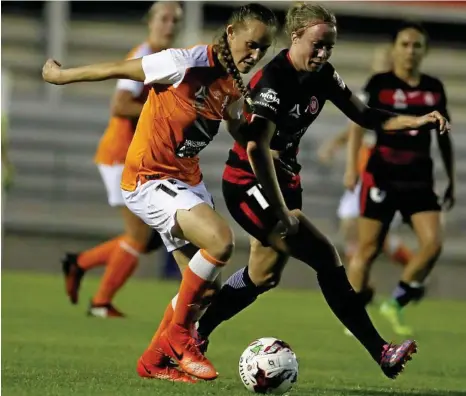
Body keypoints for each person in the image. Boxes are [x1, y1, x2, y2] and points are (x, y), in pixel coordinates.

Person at [196, 4, 449, 380]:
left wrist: (419, 120)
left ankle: (194, 334)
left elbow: (365, 116)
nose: (323, 54)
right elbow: (255, 149)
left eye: (329, 46)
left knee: (263, 276)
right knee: (325, 255)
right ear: (295, 36)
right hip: (249, 182)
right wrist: (282, 211)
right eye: (317, 45)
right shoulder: (273, 80)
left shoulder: (322, 75)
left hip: (284, 182)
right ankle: (382, 351)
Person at [43, 3, 278, 382]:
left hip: (187, 181)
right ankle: (180, 340)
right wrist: (60, 75)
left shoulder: (236, 83)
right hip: (149, 178)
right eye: (251, 44)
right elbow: (118, 70)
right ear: (231, 33)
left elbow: (235, 123)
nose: (254, 55)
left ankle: (153, 360)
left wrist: (262, 132)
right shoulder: (184, 62)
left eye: (262, 50)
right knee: (221, 241)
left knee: (203, 293)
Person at [61, 2, 183, 318]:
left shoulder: (164, 60)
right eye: (164, 18)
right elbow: (119, 105)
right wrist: (163, 113)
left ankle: (80, 264)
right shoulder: (141, 57)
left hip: (139, 159)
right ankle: (100, 301)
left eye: (175, 20)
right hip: (120, 155)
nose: (170, 25)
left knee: (146, 239)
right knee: (141, 237)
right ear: (150, 22)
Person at [344, 21, 454, 336]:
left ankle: (395, 303)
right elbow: (358, 125)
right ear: (394, 49)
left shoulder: (434, 88)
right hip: (382, 175)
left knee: (432, 245)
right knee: (367, 249)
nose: (410, 51)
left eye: (416, 45)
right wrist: (352, 168)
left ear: (425, 51)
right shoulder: (379, 83)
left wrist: (451, 179)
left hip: (420, 178)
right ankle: (354, 317)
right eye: (404, 44)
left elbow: (443, 136)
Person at [317, 43, 413, 306]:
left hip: (380, 175)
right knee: (352, 231)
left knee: (372, 239)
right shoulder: (372, 90)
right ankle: (362, 288)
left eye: (386, 61)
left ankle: (411, 271)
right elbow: (356, 124)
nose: (381, 65)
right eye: (379, 61)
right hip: (363, 173)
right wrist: (337, 146)